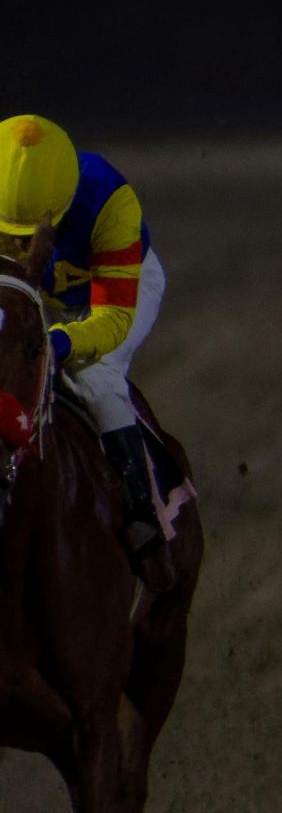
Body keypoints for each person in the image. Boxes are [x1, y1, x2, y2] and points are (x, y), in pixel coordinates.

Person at [0, 114, 173, 584]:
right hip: (34, 298)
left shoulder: (111, 200)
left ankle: (145, 518)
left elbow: (113, 319)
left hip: (116, 294)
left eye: (27, 230)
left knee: (95, 378)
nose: (17, 240)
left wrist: (60, 343)